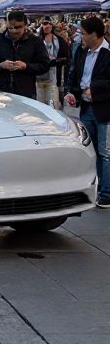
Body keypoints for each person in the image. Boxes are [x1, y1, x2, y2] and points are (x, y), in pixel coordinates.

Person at [64, 15, 110, 208]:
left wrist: (95, 89)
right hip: (85, 106)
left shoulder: (108, 53)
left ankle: (106, 193)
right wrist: (70, 92)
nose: (80, 36)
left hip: (104, 108)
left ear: (94, 34)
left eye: (83, 33)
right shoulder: (81, 51)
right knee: (90, 151)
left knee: (105, 152)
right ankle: (96, 188)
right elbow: (74, 73)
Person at [0, 9, 50, 98]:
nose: (14, 31)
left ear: (25, 25)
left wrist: (26, 66)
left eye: (18, 27)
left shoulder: (35, 41)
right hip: (1, 92)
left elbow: (45, 65)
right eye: (10, 27)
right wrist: (0, 65)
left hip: (26, 93)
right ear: (7, 25)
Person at [36, 17, 70, 109]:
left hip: (53, 78)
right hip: (38, 79)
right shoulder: (37, 40)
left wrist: (57, 61)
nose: (46, 26)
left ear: (52, 26)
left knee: (53, 106)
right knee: (40, 107)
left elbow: (66, 57)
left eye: (48, 24)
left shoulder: (59, 40)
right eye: (44, 24)